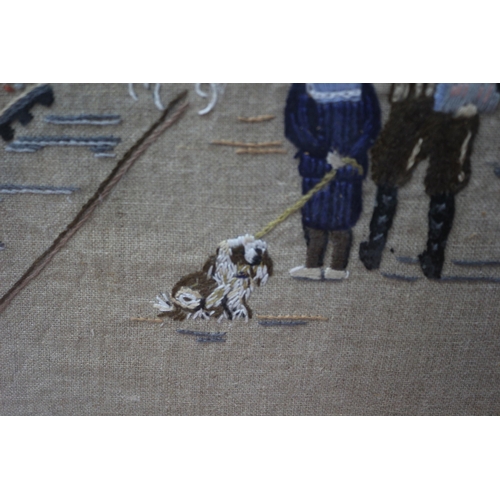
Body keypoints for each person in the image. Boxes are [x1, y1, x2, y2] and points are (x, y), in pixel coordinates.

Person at [359, 83, 499, 279]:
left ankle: (375, 248)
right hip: (459, 105)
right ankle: (434, 258)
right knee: (444, 179)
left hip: (418, 99)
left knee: (392, 171)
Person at [284, 83, 381, 280]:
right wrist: (321, 152)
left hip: (348, 167)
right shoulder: (304, 85)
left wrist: (348, 155)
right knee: (313, 217)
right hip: (314, 165)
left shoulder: (361, 86)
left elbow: (372, 124)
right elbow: (295, 123)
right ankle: (312, 265)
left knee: (342, 218)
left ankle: (337, 267)